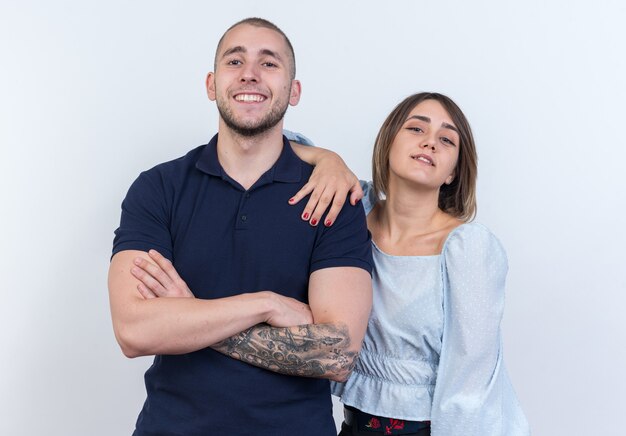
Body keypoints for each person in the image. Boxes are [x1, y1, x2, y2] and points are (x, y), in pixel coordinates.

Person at [108, 17, 373, 436]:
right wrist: (267, 304)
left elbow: (336, 355)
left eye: (269, 63)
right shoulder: (159, 187)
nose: (250, 72)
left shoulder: (333, 197)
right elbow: (134, 331)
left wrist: (189, 314)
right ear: (212, 84)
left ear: (294, 90)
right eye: (235, 61)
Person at [286, 92, 531, 435]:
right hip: (351, 424)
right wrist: (328, 159)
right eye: (416, 129)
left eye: (446, 139)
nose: (430, 143)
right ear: (388, 143)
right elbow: (279, 144)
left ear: (453, 172)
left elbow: (471, 382)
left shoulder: (467, 248)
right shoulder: (355, 212)